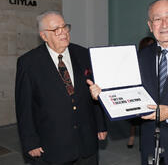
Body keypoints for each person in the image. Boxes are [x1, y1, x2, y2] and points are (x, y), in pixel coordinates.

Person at [87, 0, 168, 165]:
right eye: (157, 19)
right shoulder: (140, 57)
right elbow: (131, 99)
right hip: (149, 145)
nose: (164, 24)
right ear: (150, 26)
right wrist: (104, 95)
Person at [15, 11, 107, 165]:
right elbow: (24, 107)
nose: (63, 32)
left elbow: (93, 92)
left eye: (64, 27)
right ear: (44, 36)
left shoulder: (84, 54)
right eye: (56, 29)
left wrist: (100, 125)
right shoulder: (29, 63)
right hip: (52, 145)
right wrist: (30, 142)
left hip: (86, 140)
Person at [127, 36, 155, 149]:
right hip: (138, 92)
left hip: (150, 94)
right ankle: (132, 137)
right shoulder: (138, 58)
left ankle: (145, 142)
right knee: (136, 118)